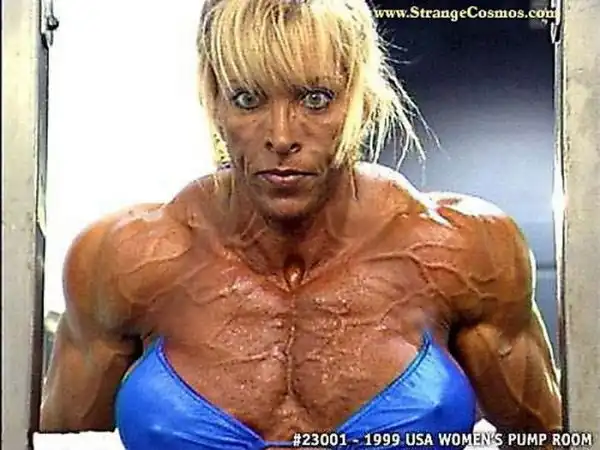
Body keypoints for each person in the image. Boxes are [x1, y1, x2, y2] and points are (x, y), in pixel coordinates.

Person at [40, 0, 562, 448]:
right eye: (248, 99)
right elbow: (60, 443)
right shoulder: (121, 260)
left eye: (315, 99)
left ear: (361, 97)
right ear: (214, 101)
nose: (282, 136)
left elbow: (547, 438)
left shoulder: (465, 250)